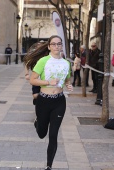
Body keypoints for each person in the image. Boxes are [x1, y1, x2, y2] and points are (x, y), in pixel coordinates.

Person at [29, 35, 73, 170]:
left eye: (59, 44)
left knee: (53, 134)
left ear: (61, 46)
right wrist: (48, 82)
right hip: (43, 101)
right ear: (49, 47)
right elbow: (33, 80)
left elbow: (67, 80)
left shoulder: (66, 63)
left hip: (59, 102)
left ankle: (49, 166)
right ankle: (38, 123)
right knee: (42, 133)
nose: (56, 46)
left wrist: (68, 85)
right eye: (53, 44)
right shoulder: (43, 61)